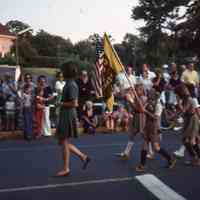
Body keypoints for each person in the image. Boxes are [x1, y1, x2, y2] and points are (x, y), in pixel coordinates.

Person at [55, 61, 91, 177]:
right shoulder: (70, 83)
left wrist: (60, 104)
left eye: (63, 70)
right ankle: (83, 157)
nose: (62, 72)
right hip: (66, 114)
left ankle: (66, 168)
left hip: (68, 115)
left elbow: (74, 103)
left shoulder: (71, 85)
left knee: (64, 141)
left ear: (67, 72)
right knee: (63, 141)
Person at [129, 88, 176, 172]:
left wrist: (145, 111)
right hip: (147, 126)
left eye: (150, 93)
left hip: (154, 127)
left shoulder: (158, 105)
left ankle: (170, 159)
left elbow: (156, 118)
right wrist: (134, 101)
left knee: (156, 148)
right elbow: (139, 110)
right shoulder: (148, 102)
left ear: (154, 95)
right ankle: (142, 165)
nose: (148, 94)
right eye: (148, 93)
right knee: (144, 145)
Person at [116, 84, 147, 159]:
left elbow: (139, 109)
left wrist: (130, 101)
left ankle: (152, 151)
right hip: (136, 118)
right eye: (135, 90)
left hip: (141, 118)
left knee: (145, 136)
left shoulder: (143, 98)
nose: (135, 91)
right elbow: (134, 108)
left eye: (137, 90)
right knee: (132, 135)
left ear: (141, 90)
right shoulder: (138, 97)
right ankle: (126, 152)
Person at [174, 84, 200, 165]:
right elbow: (182, 111)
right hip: (188, 119)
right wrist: (173, 116)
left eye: (177, 94)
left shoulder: (189, 99)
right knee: (185, 140)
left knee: (192, 141)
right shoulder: (185, 99)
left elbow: (184, 110)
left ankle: (198, 158)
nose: (176, 95)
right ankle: (194, 157)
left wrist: (178, 102)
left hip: (193, 119)